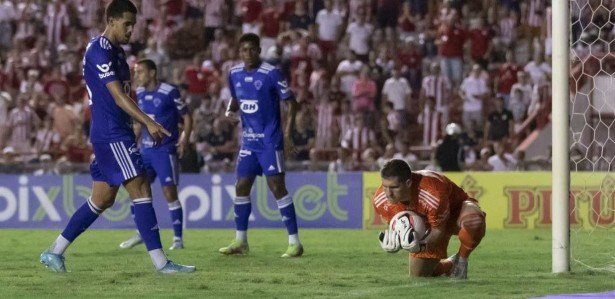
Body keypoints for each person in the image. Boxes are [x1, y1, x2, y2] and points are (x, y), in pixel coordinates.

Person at [39, 0, 194, 274]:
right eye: (126, 23)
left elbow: (125, 96)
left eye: (133, 24)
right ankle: (162, 264)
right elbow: (118, 96)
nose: (131, 29)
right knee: (142, 188)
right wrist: (148, 121)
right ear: (110, 20)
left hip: (115, 131)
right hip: (111, 134)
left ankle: (54, 251)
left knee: (102, 199)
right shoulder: (99, 51)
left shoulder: (118, 54)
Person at [219, 33, 303, 258]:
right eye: (244, 50)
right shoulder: (234, 73)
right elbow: (235, 99)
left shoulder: (271, 73)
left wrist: (288, 134)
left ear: (258, 50)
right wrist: (229, 111)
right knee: (241, 187)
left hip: (269, 141)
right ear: (240, 52)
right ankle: (240, 241)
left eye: (252, 50)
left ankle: (294, 242)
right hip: (248, 141)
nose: (248, 54)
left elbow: (291, 103)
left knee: (276, 187)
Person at [118, 59, 193, 251]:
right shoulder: (140, 93)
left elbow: (187, 116)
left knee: (169, 193)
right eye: (135, 72)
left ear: (152, 73)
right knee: (135, 190)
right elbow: (139, 123)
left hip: (165, 150)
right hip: (146, 151)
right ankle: (141, 233)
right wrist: (133, 144)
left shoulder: (169, 92)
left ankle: (178, 239)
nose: (137, 76)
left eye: (140, 72)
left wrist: (184, 139)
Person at [372, 159, 486, 279]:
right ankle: (450, 265)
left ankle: (462, 260)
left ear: (408, 183)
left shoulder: (431, 192)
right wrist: (397, 242)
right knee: (419, 276)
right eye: (385, 187)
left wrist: (421, 245)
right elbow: (400, 228)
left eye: (394, 187)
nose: (388, 193)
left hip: (454, 212)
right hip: (428, 222)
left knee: (473, 220)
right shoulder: (380, 200)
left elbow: (438, 230)